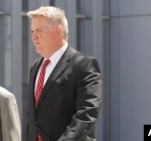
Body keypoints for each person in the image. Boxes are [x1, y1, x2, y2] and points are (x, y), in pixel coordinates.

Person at [25, 6, 102, 141]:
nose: (33, 37)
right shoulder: (36, 67)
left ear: (57, 31)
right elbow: (33, 118)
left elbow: (86, 115)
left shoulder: (84, 65)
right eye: (32, 31)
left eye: (39, 31)